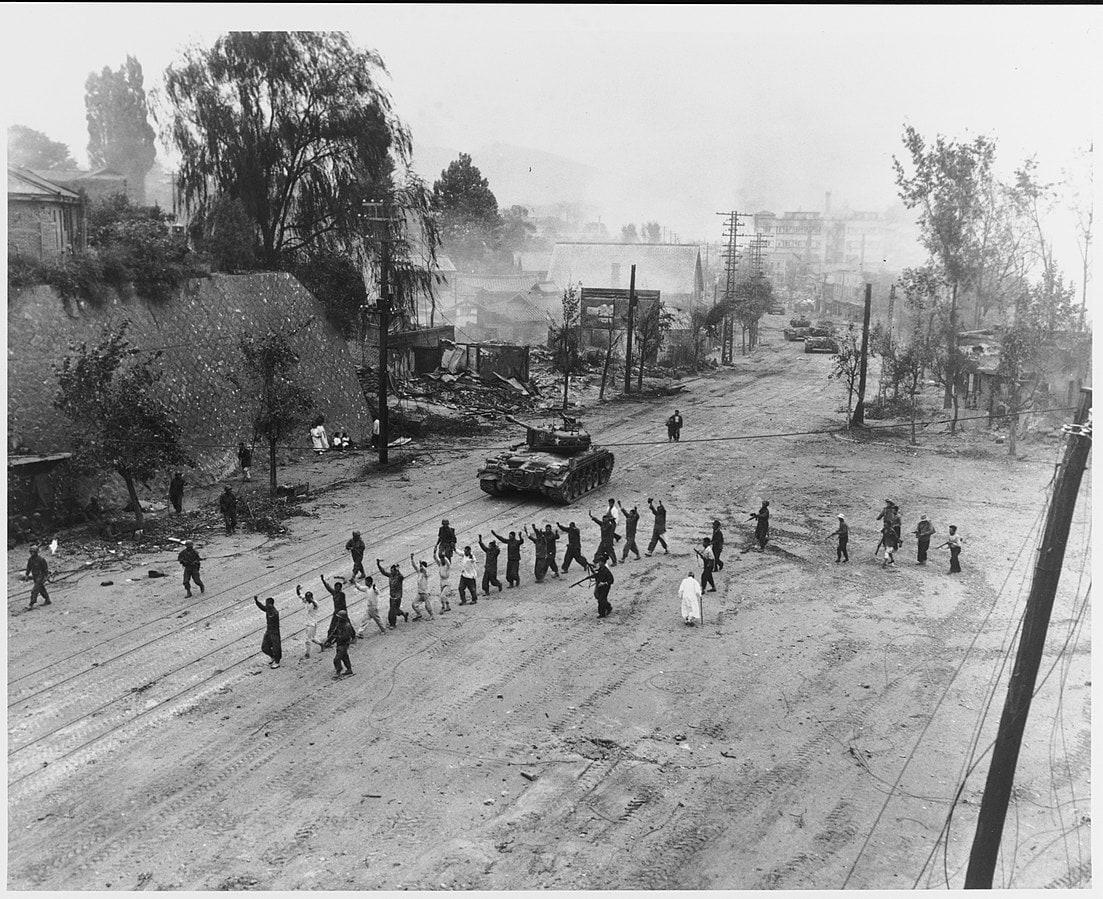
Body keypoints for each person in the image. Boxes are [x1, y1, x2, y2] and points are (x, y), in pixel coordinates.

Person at [376, 559, 409, 627]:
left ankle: (393, 624)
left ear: (395, 571)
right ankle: (404, 614)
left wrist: (398, 570)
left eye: (392, 570)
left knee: (392, 611)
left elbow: (402, 577)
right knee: (396, 610)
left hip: (397, 597)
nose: (391, 571)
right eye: (391, 570)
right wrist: (378, 565)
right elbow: (383, 572)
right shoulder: (391, 575)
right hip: (392, 596)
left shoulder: (399, 577)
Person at [254, 595, 282, 669]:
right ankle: (272, 656)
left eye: (267, 604)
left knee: (276, 647)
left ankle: (277, 662)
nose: (266, 605)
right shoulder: (269, 610)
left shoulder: (274, 612)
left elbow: (268, 611)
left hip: (274, 632)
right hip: (268, 631)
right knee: (264, 647)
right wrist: (257, 602)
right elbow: (262, 607)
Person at [320, 574, 349, 646]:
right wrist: (323, 580)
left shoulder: (342, 594)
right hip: (336, 612)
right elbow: (328, 587)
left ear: (340, 588)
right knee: (332, 627)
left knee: (343, 626)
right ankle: (329, 641)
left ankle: (332, 640)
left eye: (338, 587)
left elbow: (343, 605)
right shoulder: (334, 593)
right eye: (336, 587)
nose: (337, 589)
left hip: (341, 613)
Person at [297, 585, 324, 657]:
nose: (306, 599)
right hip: (308, 623)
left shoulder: (315, 603)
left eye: (308, 597)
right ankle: (321, 644)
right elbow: (299, 595)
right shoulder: (306, 601)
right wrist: (298, 589)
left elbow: (315, 604)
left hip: (312, 623)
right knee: (312, 638)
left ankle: (307, 654)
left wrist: (311, 599)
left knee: (307, 640)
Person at [409, 554, 435, 620]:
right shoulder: (419, 573)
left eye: (421, 566)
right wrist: (412, 558)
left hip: (425, 593)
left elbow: (425, 570)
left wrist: (421, 565)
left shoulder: (426, 574)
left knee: (427, 606)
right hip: (420, 593)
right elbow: (414, 566)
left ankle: (432, 615)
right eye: (420, 566)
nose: (420, 567)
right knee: (414, 604)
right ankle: (419, 614)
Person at [332, 610, 355, 679]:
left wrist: (337, 637)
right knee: (344, 657)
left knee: (336, 659)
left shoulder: (347, 626)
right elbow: (335, 632)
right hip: (339, 644)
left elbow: (345, 637)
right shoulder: (340, 624)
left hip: (343, 644)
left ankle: (338, 671)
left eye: (339, 617)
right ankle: (349, 669)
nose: (338, 619)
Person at [434, 544, 454, 611]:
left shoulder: (447, 566)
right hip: (442, 582)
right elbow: (436, 559)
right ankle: (447, 606)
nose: (441, 561)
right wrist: (434, 552)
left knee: (442, 596)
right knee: (443, 596)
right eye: (441, 559)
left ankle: (443, 607)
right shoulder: (440, 565)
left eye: (443, 560)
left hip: (447, 583)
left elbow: (448, 562)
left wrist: (444, 556)